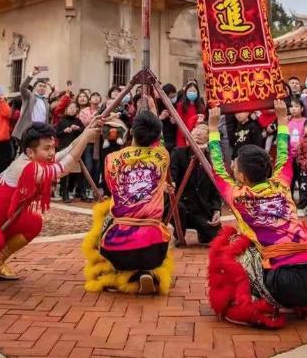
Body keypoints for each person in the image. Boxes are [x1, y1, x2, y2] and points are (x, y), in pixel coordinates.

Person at [207, 100, 307, 328]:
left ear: (241, 177)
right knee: (303, 237)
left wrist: (212, 128)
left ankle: (260, 306)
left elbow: (217, 167)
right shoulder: (282, 184)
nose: (233, 167)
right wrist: (282, 119)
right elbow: (285, 155)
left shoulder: (237, 196)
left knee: (234, 245)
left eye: (235, 166)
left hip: (283, 284)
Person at [0, 119, 100, 295]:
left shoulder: (32, 158)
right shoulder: (24, 167)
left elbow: (65, 153)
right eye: (47, 148)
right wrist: (86, 138)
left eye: (52, 147)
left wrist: (86, 131)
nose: (52, 152)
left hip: (3, 218)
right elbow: (64, 166)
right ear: (30, 151)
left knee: (33, 222)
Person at [82, 109, 174, 295]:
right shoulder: (163, 156)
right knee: (164, 231)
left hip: (117, 245)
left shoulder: (111, 159)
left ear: (131, 131)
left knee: (105, 218)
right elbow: (160, 142)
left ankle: (118, 273)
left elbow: (110, 187)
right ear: (156, 136)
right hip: (154, 247)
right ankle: (145, 272)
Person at [170, 123, 221, 244]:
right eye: (195, 130)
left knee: (217, 235)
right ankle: (179, 234)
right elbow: (172, 172)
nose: (198, 133)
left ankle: (203, 231)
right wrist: (171, 182)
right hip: (181, 205)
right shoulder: (178, 153)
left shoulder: (211, 160)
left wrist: (216, 210)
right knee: (179, 208)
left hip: (200, 209)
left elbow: (215, 190)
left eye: (203, 131)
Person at [56, 102, 85, 201]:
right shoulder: (61, 121)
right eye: (70, 108)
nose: (72, 109)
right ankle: (65, 193)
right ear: (66, 110)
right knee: (65, 171)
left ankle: (81, 192)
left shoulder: (78, 121)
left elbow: (84, 132)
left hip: (76, 148)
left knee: (78, 171)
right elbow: (56, 134)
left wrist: (78, 129)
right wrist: (64, 131)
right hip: (64, 148)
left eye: (74, 108)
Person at [12, 68, 52, 141]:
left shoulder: (46, 102)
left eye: (44, 86)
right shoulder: (29, 96)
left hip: (41, 130)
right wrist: (31, 74)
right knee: (26, 151)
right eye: (40, 86)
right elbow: (22, 87)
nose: (42, 88)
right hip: (29, 129)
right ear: (35, 87)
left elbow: (46, 119)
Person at [175, 81, 206, 147]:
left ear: (197, 93)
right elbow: (179, 122)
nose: (192, 93)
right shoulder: (180, 106)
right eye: (190, 91)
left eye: (194, 91)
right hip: (183, 136)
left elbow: (203, 124)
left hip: (197, 137)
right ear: (186, 92)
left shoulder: (201, 107)